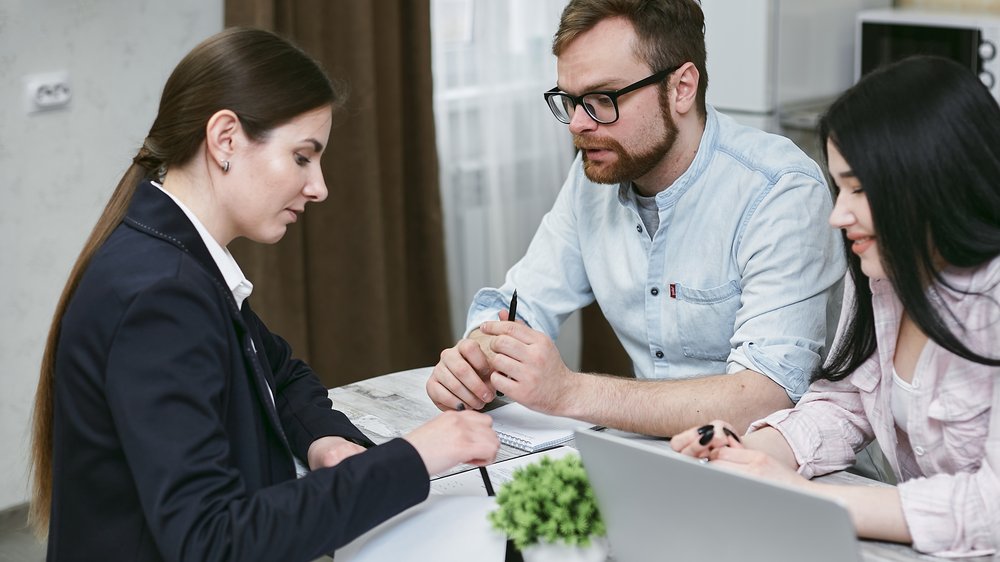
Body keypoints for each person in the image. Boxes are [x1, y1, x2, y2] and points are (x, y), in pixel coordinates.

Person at [29, 27, 499, 562]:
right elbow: (213, 541)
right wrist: (415, 456)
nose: (318, 186)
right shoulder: (163, 296)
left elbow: (277, 369)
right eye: (302, 157)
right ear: (225, 139)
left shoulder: (175, 255)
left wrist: (323, 440)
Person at [426, 0, 844, 436]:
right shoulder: (593, 179)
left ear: (681, 88)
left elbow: (765, 397)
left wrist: (568, 391)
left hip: (784, 471)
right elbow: (522, 306)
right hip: (657, 462)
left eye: (602, 99)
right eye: (569, 100)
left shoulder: (779, 190)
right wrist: (477, 357)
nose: (576, 125)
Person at [671, 55, 1000, 556]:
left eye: (859, 189)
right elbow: (843, 405)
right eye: (838, 186)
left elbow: (990, 507)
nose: (837, 215)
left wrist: (808, 499)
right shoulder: (884, 274)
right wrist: (749, 455)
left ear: (932, 179)